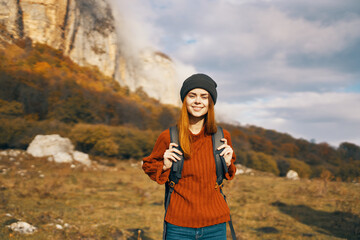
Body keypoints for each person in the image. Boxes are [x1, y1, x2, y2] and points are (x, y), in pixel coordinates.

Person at [142, 73, 237, 240]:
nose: (198, 101)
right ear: (185, 100)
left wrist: (228, 163)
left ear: (210, 103)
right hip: (178, 226)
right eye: (192, 96)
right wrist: (164, 166)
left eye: (204, 96)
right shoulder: (168, 136)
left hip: (215, 225)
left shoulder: (222, 136)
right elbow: (149, 166)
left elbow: (229, 173)